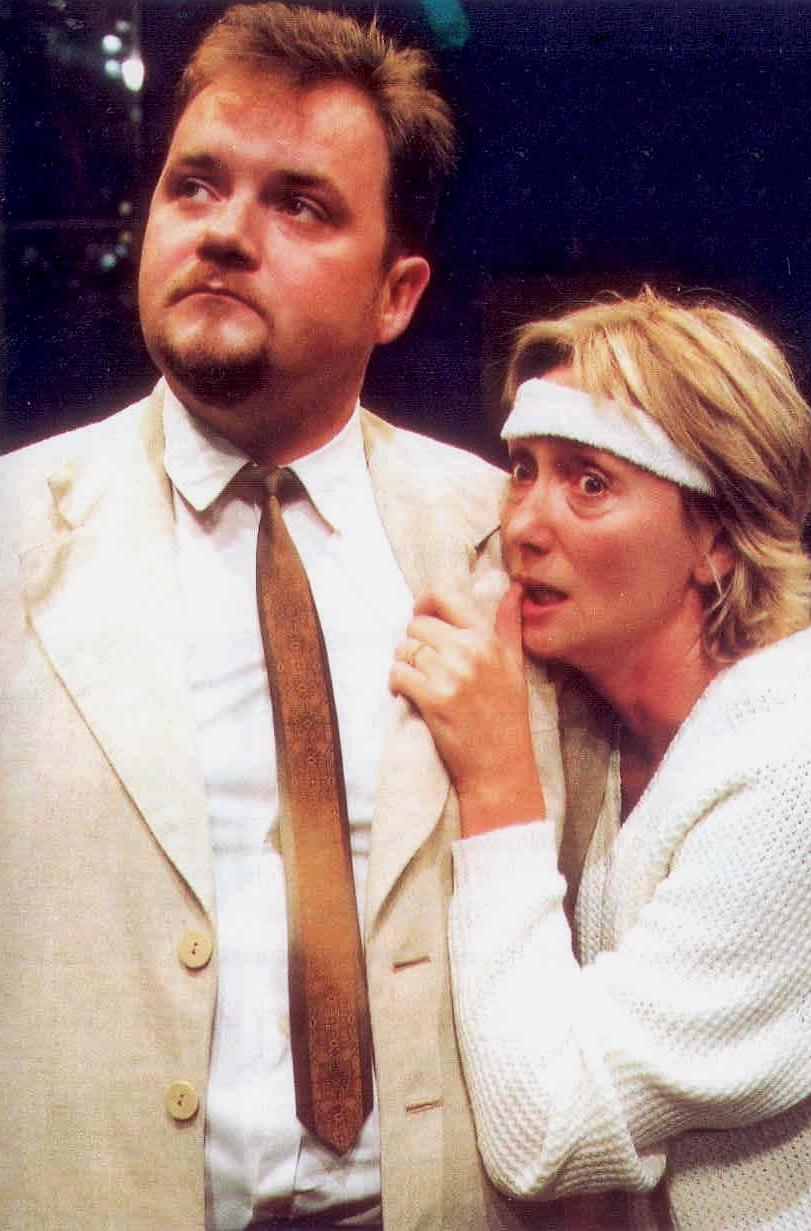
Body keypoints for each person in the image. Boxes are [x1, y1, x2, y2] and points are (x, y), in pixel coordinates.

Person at [0, 6, 601, 1229]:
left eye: (300, 205)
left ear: (396, 294)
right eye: (196, 185)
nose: (225, 231)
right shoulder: (16, 535)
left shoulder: (512, 545)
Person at [391, 288, 811, 1228]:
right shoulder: (616, 741)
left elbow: (547, 1131)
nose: (523, 525)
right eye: (522, 470)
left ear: (717, 538)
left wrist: (499, 780)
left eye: (590, 483)